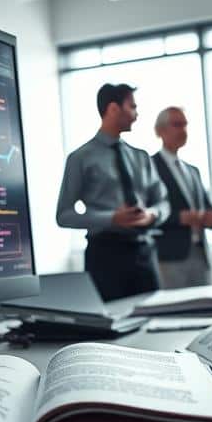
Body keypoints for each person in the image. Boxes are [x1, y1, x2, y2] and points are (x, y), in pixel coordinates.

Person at [56, 83, 170, 300]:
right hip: (105, 256)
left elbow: (163, 203)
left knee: (156, 318)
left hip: (144, 252)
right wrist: (112, 218)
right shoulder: (80, 158)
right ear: (113, 109)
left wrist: (151, 215)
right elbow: (63, 215)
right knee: (112, 325)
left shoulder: (141, 157)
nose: (137, 114)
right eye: (132, 107)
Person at [151, 107, 212, 288]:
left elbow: (206, 206)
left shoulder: (192, 170)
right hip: (169, 257)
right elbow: (147, 212)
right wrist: (178, 218)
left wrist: (211, 218)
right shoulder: (150, 167)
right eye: (177, 125)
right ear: (160, 130)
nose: (183, 130)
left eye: (185, 125)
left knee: (207, 310)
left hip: (200, 254)